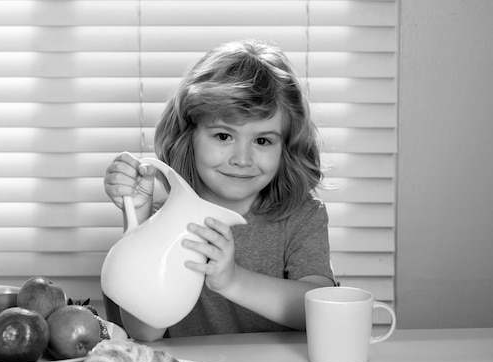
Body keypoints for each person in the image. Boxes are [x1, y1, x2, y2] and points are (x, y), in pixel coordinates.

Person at [103, 39, 336, 341]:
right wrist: (139, 222)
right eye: (224, 135)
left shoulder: (302, 217)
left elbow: (321, 308)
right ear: (189, 137)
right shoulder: (167, 222)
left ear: (285, 147)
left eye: (262, 141)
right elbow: (144, 332)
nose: (242, 159)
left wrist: (233, 281)